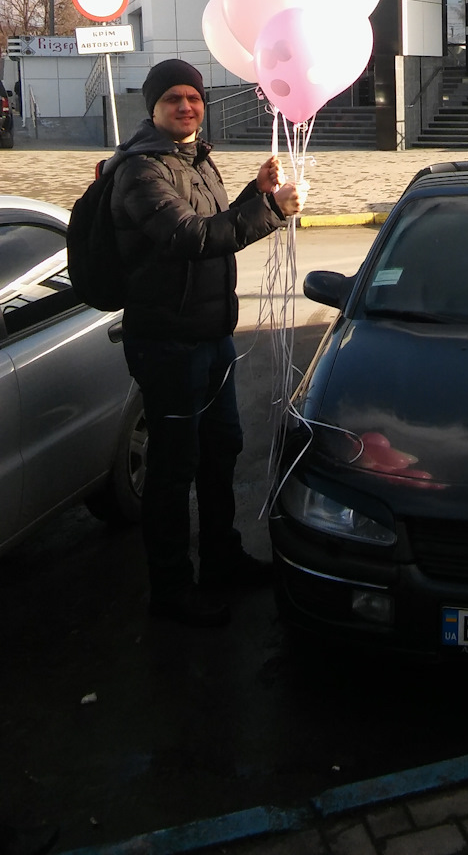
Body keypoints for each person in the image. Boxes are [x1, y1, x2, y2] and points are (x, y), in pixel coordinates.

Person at [109, 59, 304, 627]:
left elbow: (214, 220)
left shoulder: (196, 159)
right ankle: (171, 592)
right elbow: (189, 237)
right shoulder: (141, 171)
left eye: (194, 97)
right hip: (169, 344)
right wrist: (269, 210)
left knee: (221, 449)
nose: (186, 106)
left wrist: (253, 191)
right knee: (173, 469)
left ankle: (221, 558)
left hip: (212, 338)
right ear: (152, 107)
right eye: (173, 98)